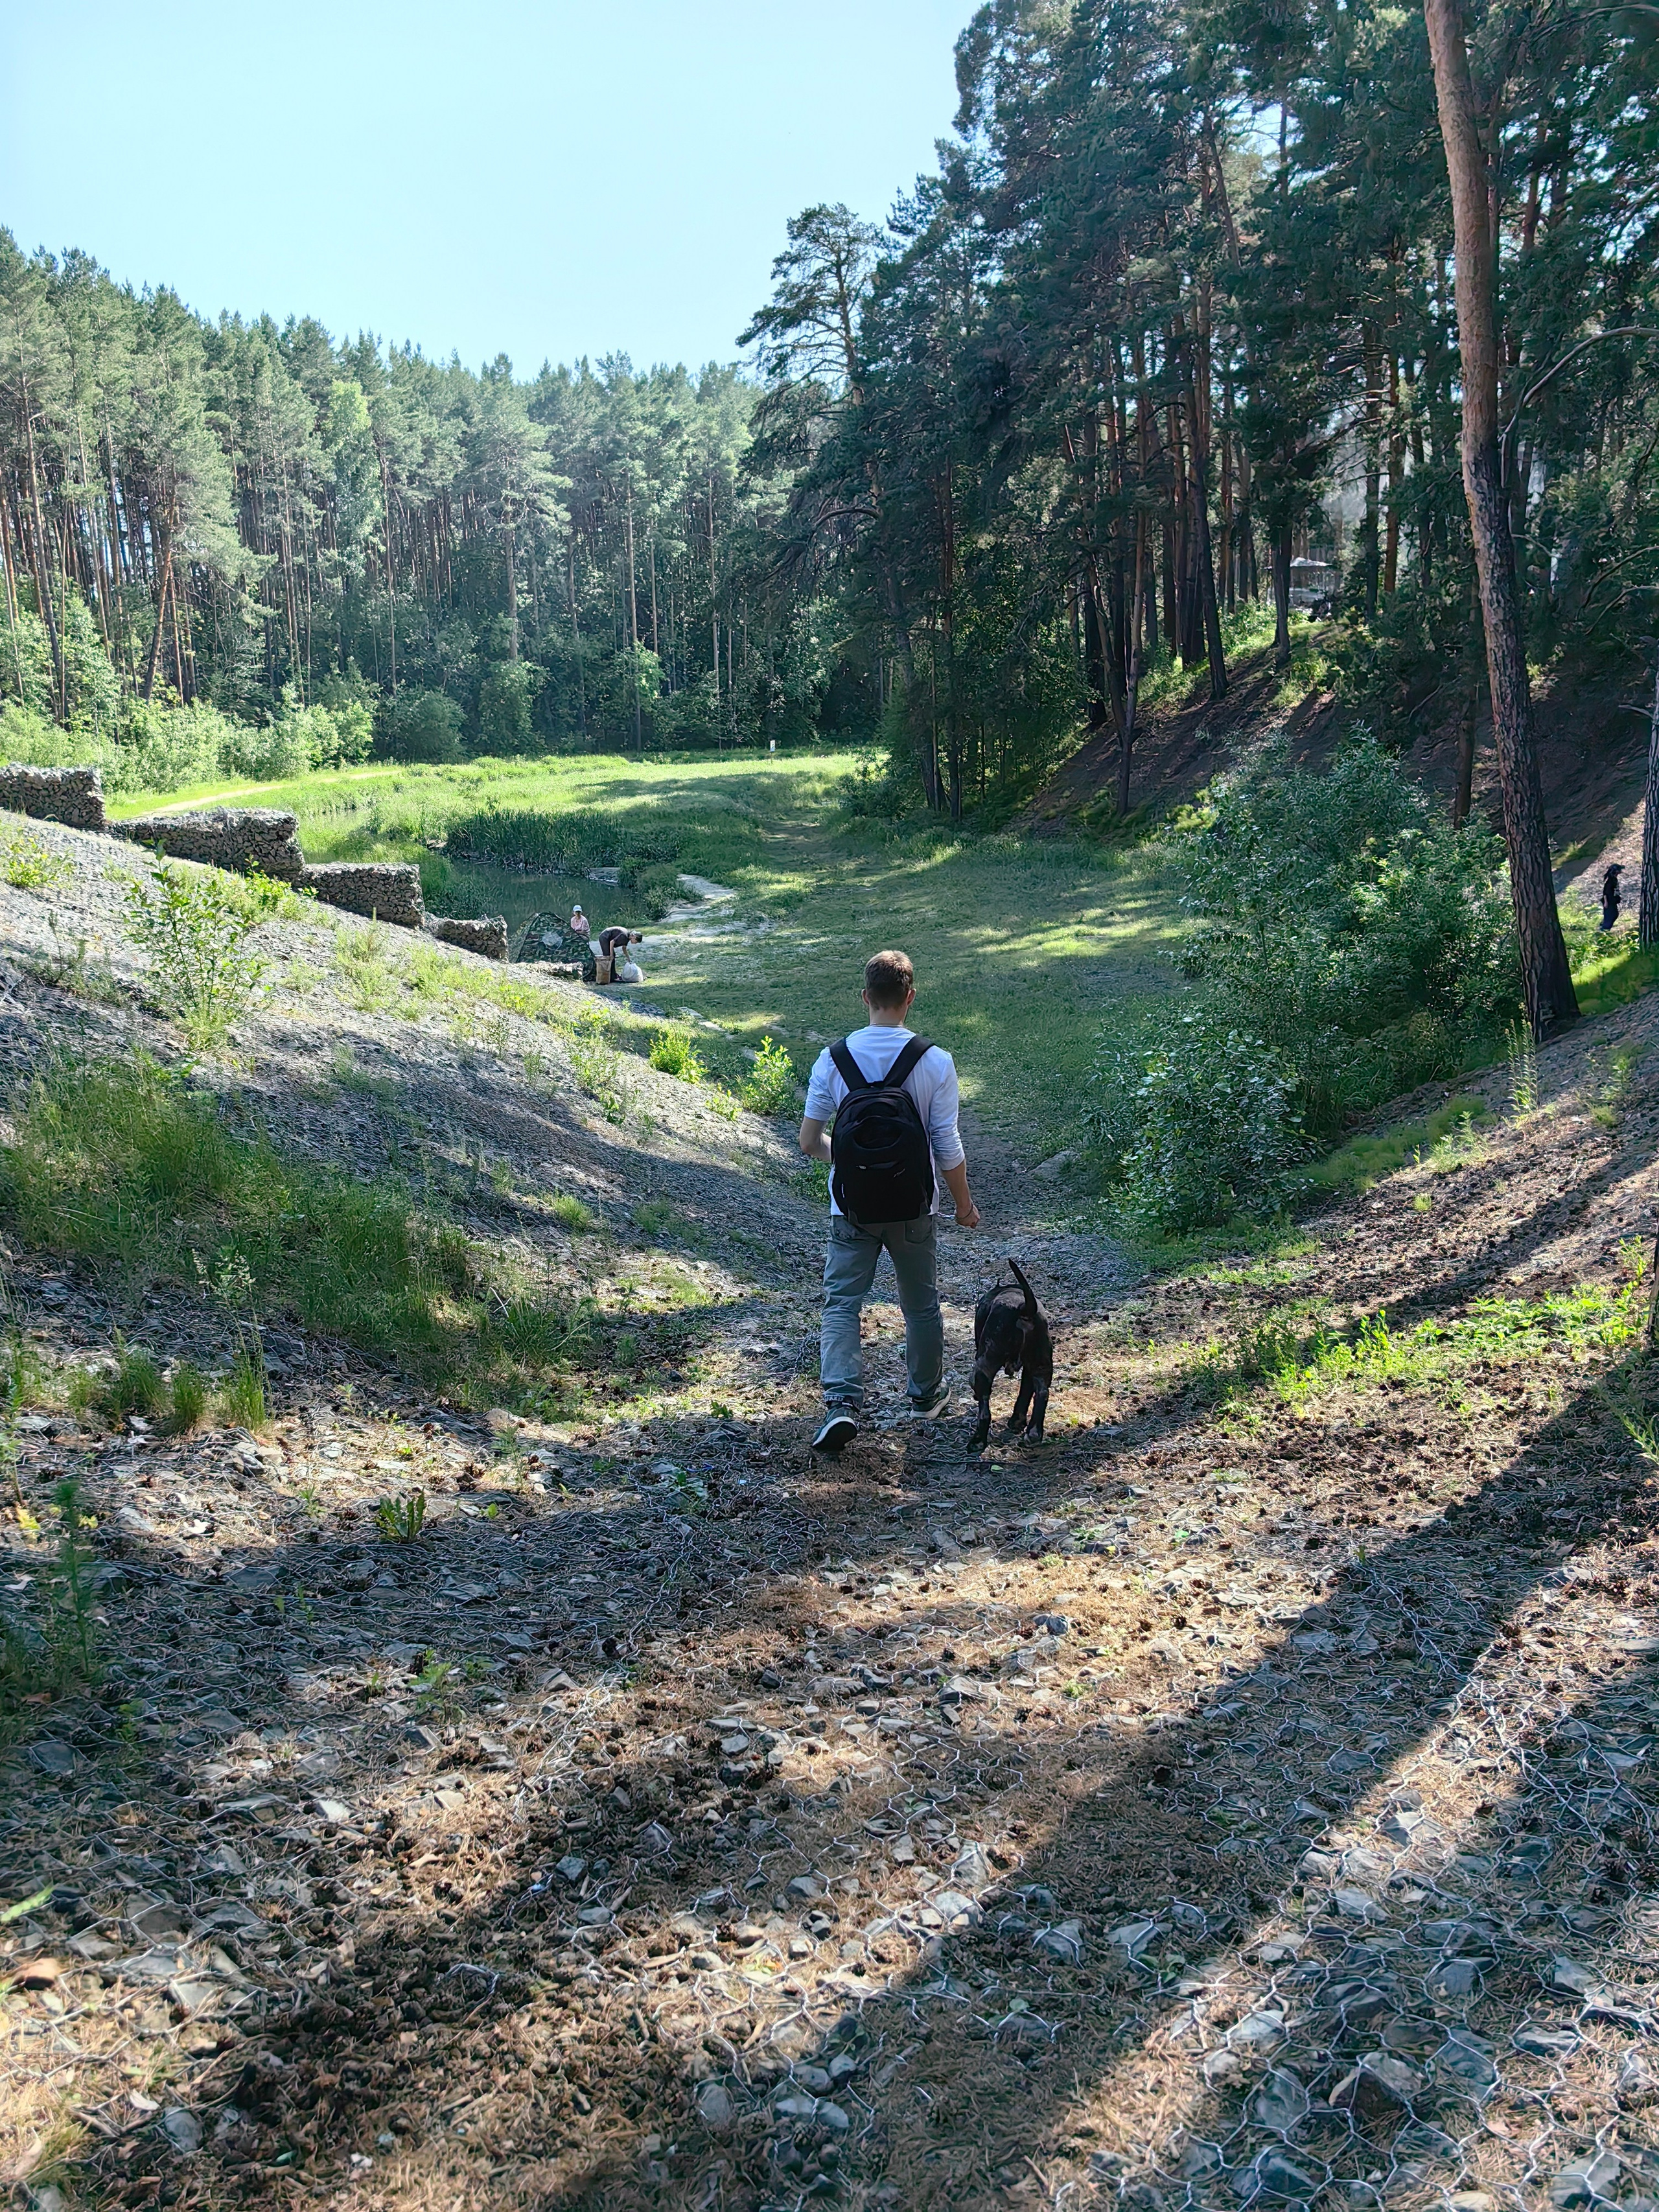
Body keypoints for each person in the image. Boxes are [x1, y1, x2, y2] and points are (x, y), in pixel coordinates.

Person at [799, 949, 979, 1452]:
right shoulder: (935, 1061)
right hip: (914, 1207)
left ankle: (841, 1403)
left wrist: (849, 1162)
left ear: (865, 997)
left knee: (841, 1304)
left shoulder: (832, 1059)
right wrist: (964, 1205)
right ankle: (925, 1394)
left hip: (852, 1209)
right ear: (910, 998)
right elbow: (947, 1145)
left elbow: (809, 1141)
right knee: (921, 1305)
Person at [1601, 862, 1624, 933]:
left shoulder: (1614, 879)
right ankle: (1605, 929)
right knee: (1612, 914)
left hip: (1612, 900)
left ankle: (1605, 927)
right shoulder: (1611, 880)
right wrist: (1606, 902)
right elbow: (1605, 892)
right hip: (1609, 901)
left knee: (1613, 914)